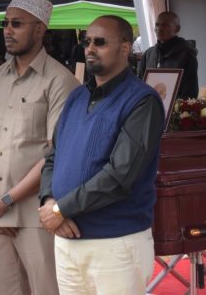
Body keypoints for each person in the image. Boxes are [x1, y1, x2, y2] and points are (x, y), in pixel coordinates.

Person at [39, 15, 165, 295]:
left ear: (124, 48)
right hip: (67, 238)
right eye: (86, 42)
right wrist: (49, 201)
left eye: (100, 42)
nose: (90, 48)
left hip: (116, 242)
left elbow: (120, 175)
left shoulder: (142, 101)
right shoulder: (76, 97)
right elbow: (53, 156)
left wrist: (61, 209)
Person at [0, 0, 78, 295]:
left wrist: (6, 201)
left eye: (17, 24)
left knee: (46, 289)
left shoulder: (60, 80)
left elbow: (56, 153)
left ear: (40, 29)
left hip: (36, 212)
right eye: (5, 23)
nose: (7, 30)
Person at [139, 11, 199, 99]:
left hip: (176, 110)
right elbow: (141, 83)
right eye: (157, 25)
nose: (159, 28)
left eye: (165, 25)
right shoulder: (148, 54)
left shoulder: (187, 54)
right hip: (151, 107)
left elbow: (190, 90)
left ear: (177, 29)